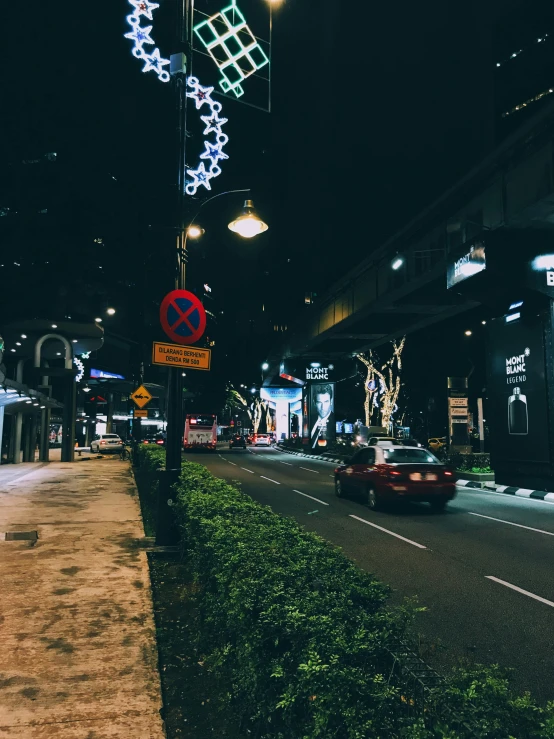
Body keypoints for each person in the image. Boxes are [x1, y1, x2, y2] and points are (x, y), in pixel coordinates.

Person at [310, 383, 335, 449]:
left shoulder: (335, 421)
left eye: (326, 402)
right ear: (314, 402)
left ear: (331, 401)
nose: (323, 407)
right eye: (319, 402)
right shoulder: (310, 419)